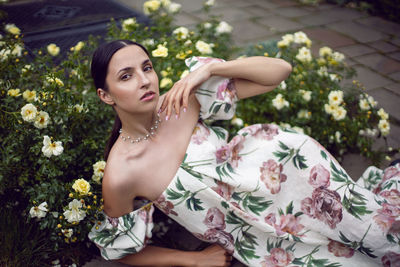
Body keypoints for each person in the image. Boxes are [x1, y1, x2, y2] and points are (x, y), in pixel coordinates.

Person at [88, 40, 400, 267]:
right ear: (105, 95)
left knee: (381, 235)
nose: (145, 81)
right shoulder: (121, 174)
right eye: (126, 76)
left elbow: (279, 72)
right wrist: (193, 260)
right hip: (269, 238)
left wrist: (211, 70)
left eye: (147, 68)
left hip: (306, 184)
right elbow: (122, 249)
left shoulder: (181, 101)